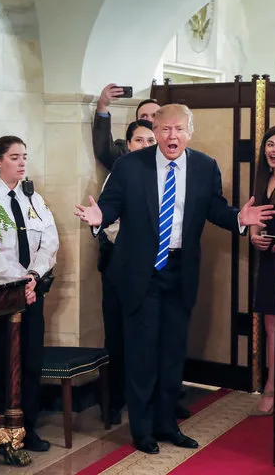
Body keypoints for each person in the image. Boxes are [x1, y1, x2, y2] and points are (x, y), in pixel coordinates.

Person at [75, 104, 275, 454]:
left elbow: (215, 208)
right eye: (165, 129)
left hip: (180, 272)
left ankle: (168, 426)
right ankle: (143, 431)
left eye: (179, 129)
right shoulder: (130, 166)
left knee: (171, 355)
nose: (172, 136)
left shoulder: (204, 166)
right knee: (142, 356)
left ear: (190, 131)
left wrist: (239, 218)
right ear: (155, 129)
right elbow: (111, 206)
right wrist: (98, 217)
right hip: (141, 274)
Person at [0, 136, 59, 454]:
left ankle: (27, 429)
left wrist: (34, 276)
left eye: (25, 156)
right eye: (14, 157)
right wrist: (18, 281)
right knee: (1, 363)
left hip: (32, 290)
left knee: (30, 363)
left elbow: (49, 242)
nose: (22, 162)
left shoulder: (33, 198)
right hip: (1, 296)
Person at [98, 120, 157, 426]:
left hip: (154, 270)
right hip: (121, 267)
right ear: (128, 144)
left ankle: (152, 402)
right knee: (118, 336)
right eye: (139, 140)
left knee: (149, 339)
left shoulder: (163, 174)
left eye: (150, 140)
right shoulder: (120, 173)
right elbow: (107, 219)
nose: (145, 145)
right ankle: (113, 402)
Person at [250, 126, 275, 415]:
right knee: (271, 328)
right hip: (268, 264)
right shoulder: (263, 180)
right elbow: (255, 221)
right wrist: (254, 236)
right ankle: (271, 387)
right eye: (269, 144)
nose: (273, 149)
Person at [92, 83, 160, 170]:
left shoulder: (172, 149)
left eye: (154, 116)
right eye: (144, 116)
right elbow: (105, 149)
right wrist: (102, 105)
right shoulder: (124, 150)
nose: (149, 120)